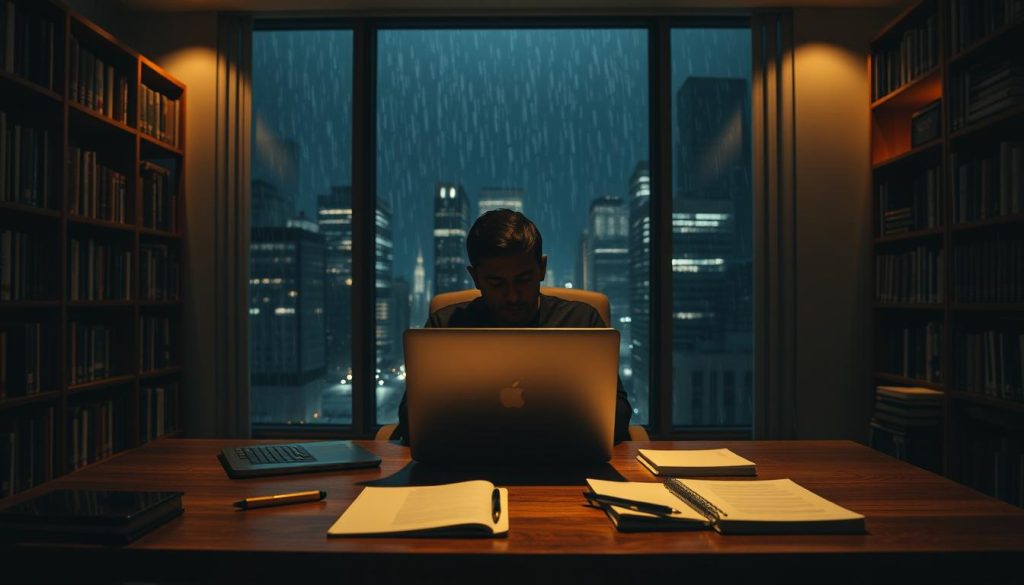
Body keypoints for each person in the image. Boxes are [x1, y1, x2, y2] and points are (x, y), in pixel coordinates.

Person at [394, 209, 633, 444]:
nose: (512, 297)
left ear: (542, 268)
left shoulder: (582, 323)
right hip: (468, 470)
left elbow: (618, 416)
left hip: (559, 466)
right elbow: (411, 420)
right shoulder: (445, 327)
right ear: (475, 277)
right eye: (496, 283)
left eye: (524, 279)